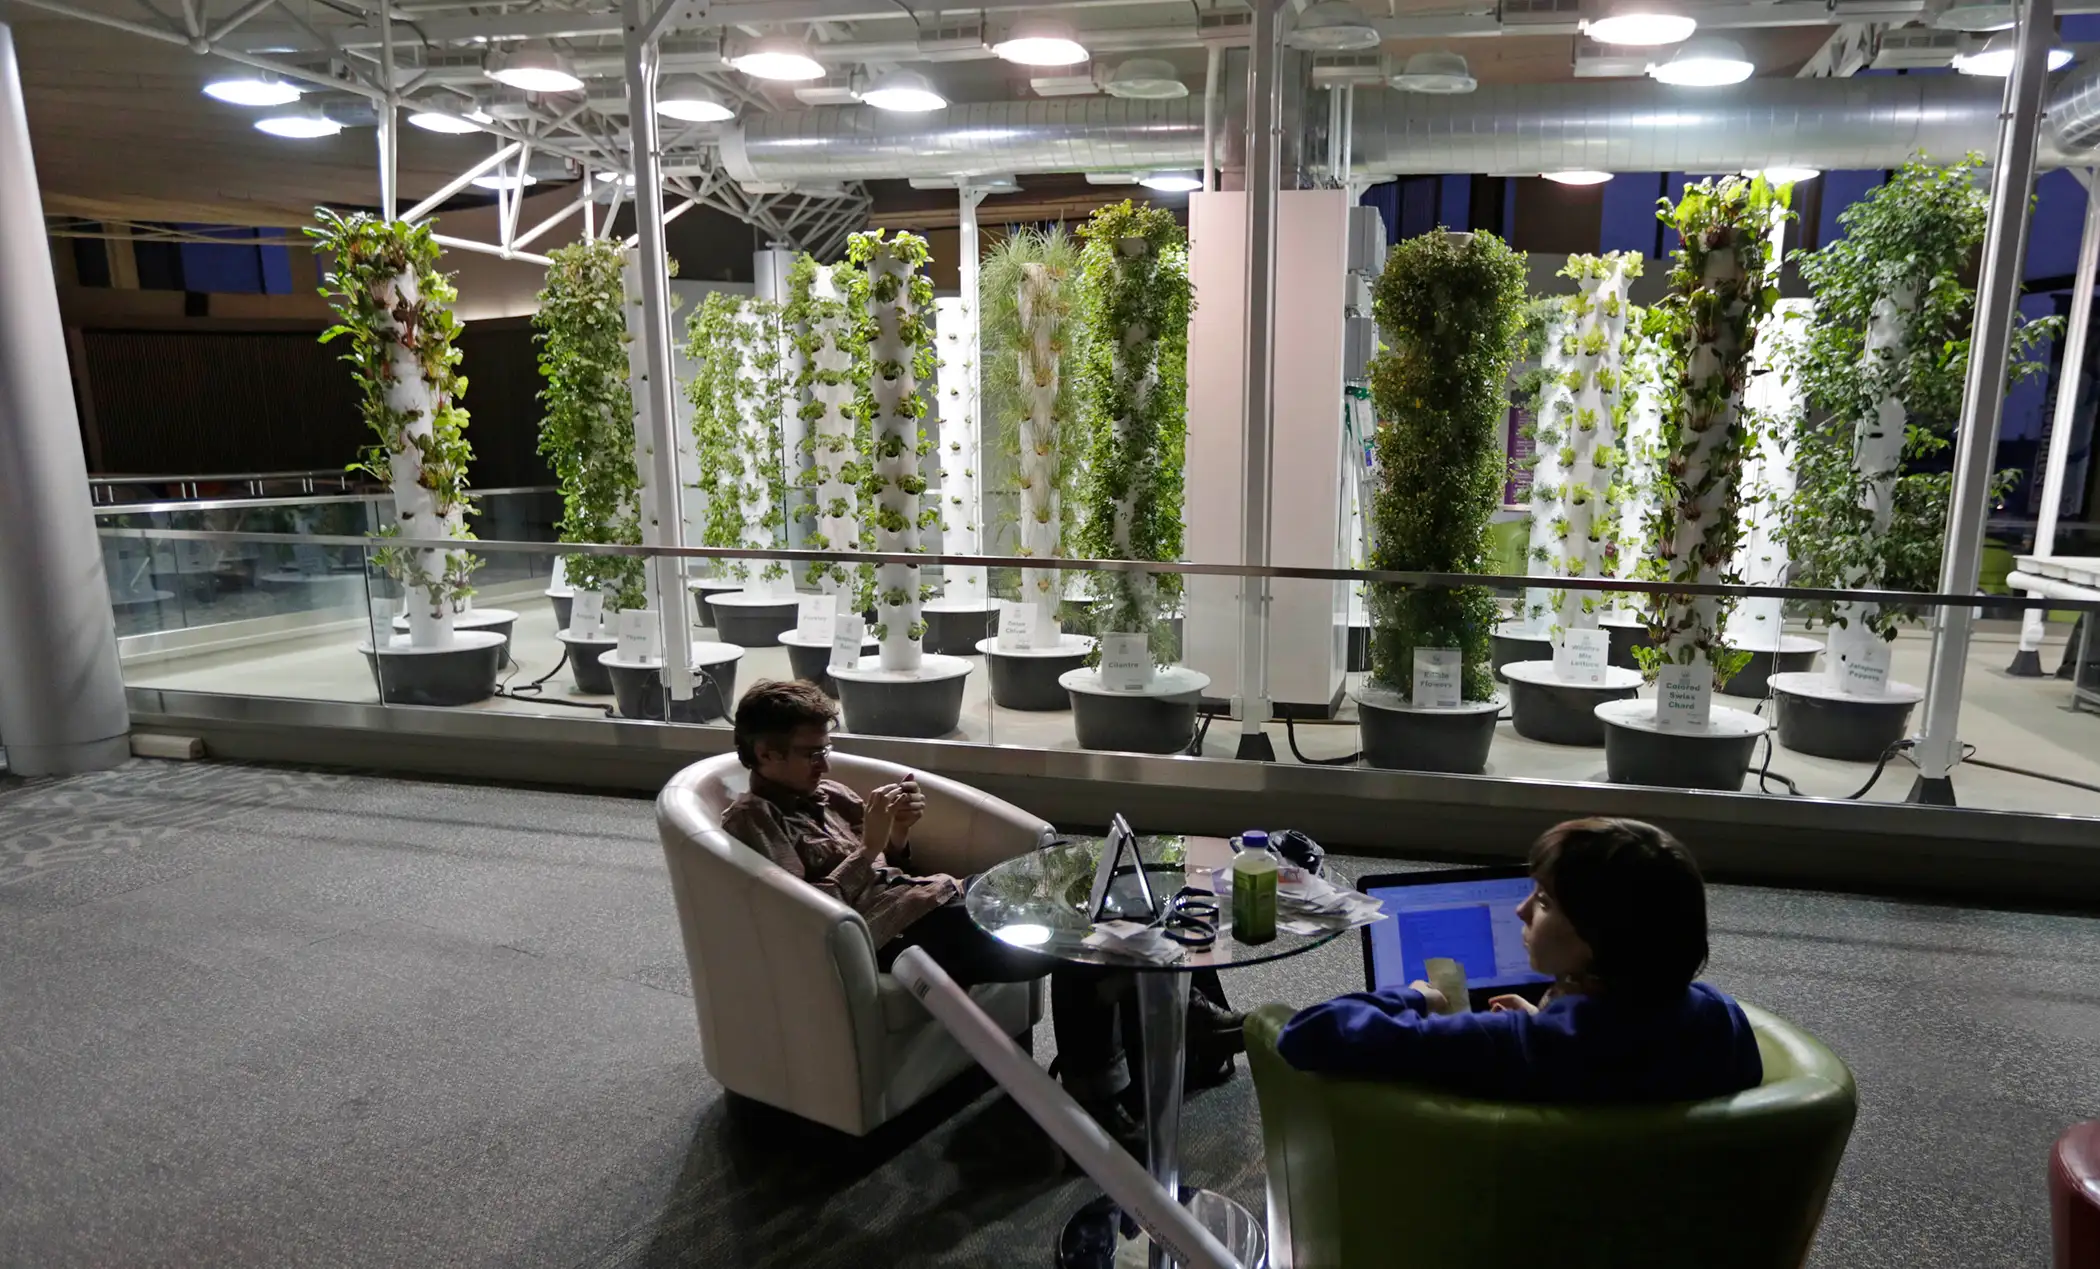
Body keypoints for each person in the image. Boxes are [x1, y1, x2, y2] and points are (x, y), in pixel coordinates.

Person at [720, 679, 1243, 1151]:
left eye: (826, 749)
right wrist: (872, 846)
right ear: (764, 754)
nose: (826, 765)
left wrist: (896, 836)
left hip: (937, 895)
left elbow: (892, 867)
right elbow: (805, 913)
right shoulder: (753, 819)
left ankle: (1171, 1034)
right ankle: (1127, 1074)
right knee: (1077, 931)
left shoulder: (826, 793)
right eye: (812, 753)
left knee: (1087, 880)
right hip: (903, 935)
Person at [1276, 817, 1762, 1103]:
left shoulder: (1518, 1045)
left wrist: (1416, 997)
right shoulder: (1722, 1018)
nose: (1522, 908)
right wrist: (1554, 1017)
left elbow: (1307, 1036)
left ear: (1599, 938)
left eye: (1546, 901)